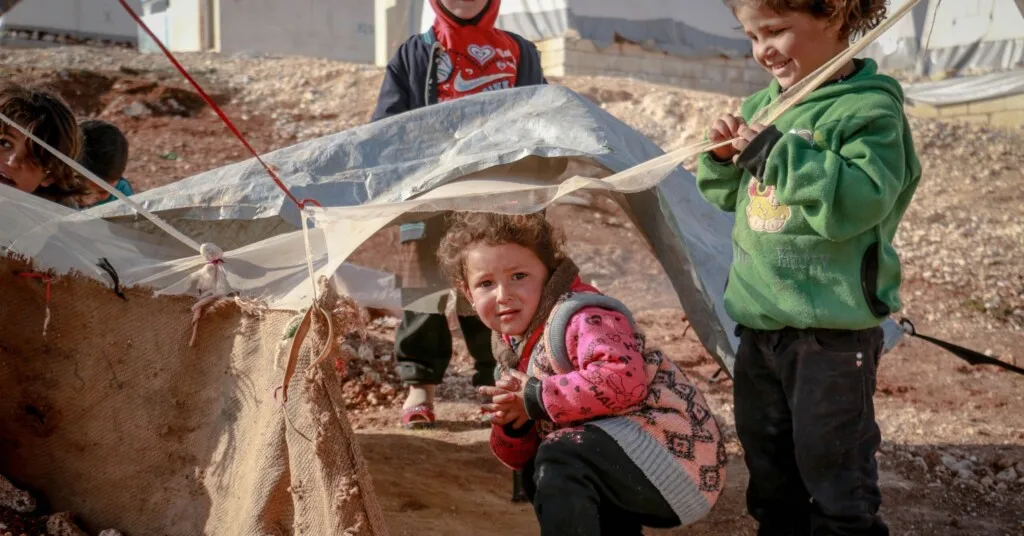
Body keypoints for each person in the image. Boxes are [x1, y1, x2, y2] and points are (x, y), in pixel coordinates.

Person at [695, 1, 922, 534]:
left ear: (837, 14)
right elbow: (733, 197)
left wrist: (773, 152)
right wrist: (724, 158)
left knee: (834, 471)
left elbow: (860, 202)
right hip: (761, 328)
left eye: (775, 30)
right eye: (752, 36)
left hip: (831, 337)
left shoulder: (868, 112)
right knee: (770, 474)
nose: (762, 49)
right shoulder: (765, 107)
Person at [438, 212, 726, 535]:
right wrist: (514, 426)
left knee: (560, 459)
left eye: (519, 276)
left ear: (548, 274)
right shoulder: (512, 352)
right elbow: (520, 458)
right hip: (625, 460)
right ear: (468, 295)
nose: (503, 295)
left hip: (677, 463)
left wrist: (535, 396)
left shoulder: (580, 317)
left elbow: (625, 380)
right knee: (542, 468)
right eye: (486, 284)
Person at [370, 0, 546, 428]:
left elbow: (539, 119)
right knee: (422, 292)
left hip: (494, 199)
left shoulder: (520, 52)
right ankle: (420, 385)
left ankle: (498, 381)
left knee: (489, 289)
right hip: (429, 197)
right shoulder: (413, 54)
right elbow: (385, 126)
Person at [0, 81, 83, 208]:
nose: (13, 161)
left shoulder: (57, 222)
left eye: (33, 158)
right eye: (4, 143)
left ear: (50, 178)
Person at [76, 118, 134, 208]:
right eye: (81, 189)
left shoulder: (121, 194)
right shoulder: (53, 188)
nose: (87, 200)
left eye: (103, 191)